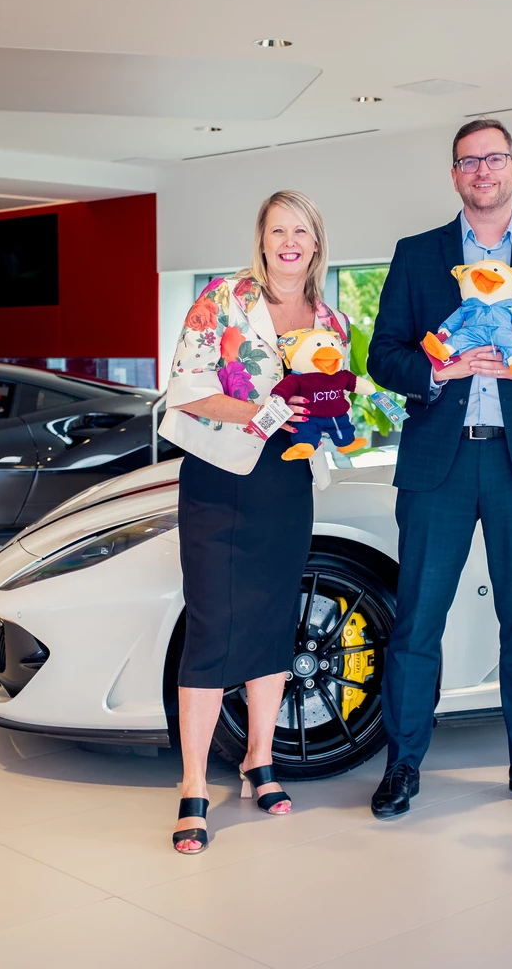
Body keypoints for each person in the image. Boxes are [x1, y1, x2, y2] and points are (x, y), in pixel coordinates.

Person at [366, 119, 512, 818]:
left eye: (494, 159)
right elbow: (384, 355)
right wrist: (436, 371)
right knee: (416, 624)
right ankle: (402, 766)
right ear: (455, 176)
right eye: (470, 161)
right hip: (439, 461)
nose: (483, 171)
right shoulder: (419, 255)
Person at [158, 190, 348, 853]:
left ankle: (258, 761)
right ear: (261, 241)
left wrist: (333, 425)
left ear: (316, 244)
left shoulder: (329, 318)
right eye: (278, 231)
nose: (290, 242)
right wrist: (264, 411)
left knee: (272, 621)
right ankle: (191, 788)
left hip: (288, 482)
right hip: (218, 477)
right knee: (212, 625)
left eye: (302, 231)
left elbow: (333, 397)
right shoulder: (223, 299)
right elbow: (185, 386)